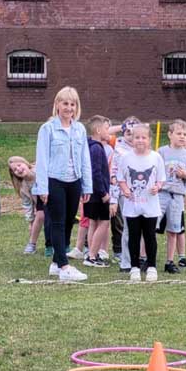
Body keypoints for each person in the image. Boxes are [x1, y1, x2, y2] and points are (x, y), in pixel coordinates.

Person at [34, 86, 92, 282]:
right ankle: (64, 266)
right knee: (57, 222)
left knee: (68, 221)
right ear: (57, 105)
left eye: (72, 104)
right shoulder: (47, 129)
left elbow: (85, 158)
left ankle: (56, 262)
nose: (69, 108)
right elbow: (42, 160)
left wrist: (87, 186)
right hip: (54, 180)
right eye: (65, 103)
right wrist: (42, 188)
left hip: (74, 180)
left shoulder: (79, 129)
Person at [118, 123, 166, 283]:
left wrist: (157, 187)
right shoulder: (125, 157)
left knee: (150, 236)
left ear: (149, 139)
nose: (140, 140)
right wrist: (125, 189)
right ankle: (134, 267)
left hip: (150, 206)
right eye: (137, 137)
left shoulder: (156, 157)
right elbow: (121, 178)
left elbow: (161, 179)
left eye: (143, 137)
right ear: (132, 139)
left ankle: (151, 267)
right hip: (132, 205)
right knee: (133, 236)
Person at [157, 119, 186, 274]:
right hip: (161, 194)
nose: (182, 137)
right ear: (170, 134)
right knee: (151, 227)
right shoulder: (161, 152)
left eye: (184, 134)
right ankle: (144, 258)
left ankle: (170, 261)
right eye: (179, 133)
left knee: (174, 229)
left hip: (177, 196)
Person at [110, 116, 140, 273]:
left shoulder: (144, 149)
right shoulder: (119, 149)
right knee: (128, 226)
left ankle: (140, 257)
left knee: (142, 227)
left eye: (134, 133)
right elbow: (114, 175)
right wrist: (113, 199)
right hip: (125, 193)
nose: (131, 135)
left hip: (142, 193)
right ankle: (126, 261)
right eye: (128, 132)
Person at [83, 115, 112, 267]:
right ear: (98, 130)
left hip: (91, 193)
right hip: (97, 194)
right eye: (107, 129)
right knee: (104, 223)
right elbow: (96, 173)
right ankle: (92, 256)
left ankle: (91, 253)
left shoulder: (89, 146)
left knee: (93, 223)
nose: (109, 132)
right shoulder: (96, 148)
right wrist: (103, 193)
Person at [7, 156, 52, 256]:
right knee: (40, 215)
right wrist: (30, 220)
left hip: (52, 195)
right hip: (41, 202)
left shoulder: (39, 170)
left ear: (25, 163)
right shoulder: (24, 188)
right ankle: (32, 244)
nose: (19, 169)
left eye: (19, 165)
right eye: (15, 170)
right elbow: (27, 205)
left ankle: (61, 244)